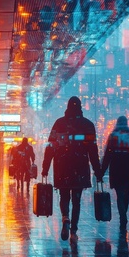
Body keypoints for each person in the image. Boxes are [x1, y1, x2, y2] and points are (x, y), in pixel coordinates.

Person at [41, 96, 101, 243]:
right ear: (80, 107)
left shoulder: (59, 124)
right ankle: (73, 230)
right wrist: (98, 171)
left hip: (62, 166)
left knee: (64, 195)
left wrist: (45, 167)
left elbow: (50, 148)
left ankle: (65, 218)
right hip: (80, 167)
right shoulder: (88, 125)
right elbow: (93, 152)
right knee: (77, 199)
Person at [99, 116, 129, 230]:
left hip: (116, 169)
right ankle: (124, 212)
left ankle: (122, 216)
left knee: (119, 194)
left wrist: (101, 172)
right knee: (127, 192)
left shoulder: (113, 135)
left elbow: (107, 156)